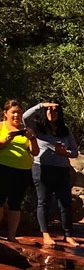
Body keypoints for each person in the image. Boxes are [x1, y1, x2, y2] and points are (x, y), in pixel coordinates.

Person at [24, 100, 79, 249]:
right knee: (44, 201)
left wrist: (65, 153)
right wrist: (41, 105)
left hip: (61, 169)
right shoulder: (38, 127)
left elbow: (75, 152)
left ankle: (68, 235)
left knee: (65, 202)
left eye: (55, 110)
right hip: (42, 168)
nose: (52, 113)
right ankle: (46, 234)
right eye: (49, 110)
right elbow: (24, 117)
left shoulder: (65, 130)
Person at [0, 100, 35, 244]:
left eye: (19, 112)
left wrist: (32, 138)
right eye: (13, 112)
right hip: (3, 167)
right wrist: (6, 140)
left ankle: (12, 235)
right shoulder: (1, 126)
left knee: (16, 203)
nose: (16, 115)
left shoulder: (26, 129)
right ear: (5, 113)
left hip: (22, 170)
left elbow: (35, 152)